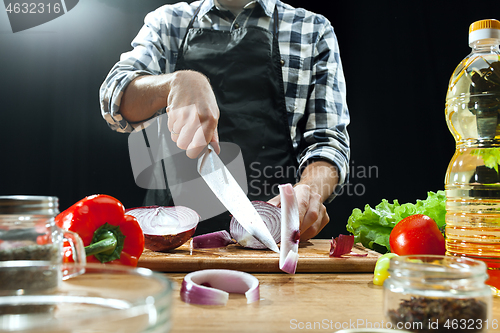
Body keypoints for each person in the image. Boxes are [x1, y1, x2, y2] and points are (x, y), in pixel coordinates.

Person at [99, 0, 350, 241]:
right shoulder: (168, 22)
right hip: (173, 242)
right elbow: (115, 98)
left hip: (273, 236)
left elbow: (328, 143)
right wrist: (176, 82)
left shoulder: (312, 29)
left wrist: (309, 189)